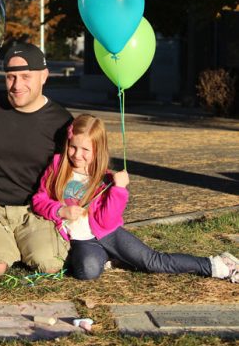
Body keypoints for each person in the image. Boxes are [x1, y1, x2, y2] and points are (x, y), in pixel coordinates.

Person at [32, 114, 239, 283]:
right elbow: (39, 200)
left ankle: (217, 265)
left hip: (108, 233)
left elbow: (107, 221)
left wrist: (118, 190)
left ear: (97, 150)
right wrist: (60, 210)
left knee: (152, 262)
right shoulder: (58, 167)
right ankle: (111, 257)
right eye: (73, 146)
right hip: (82, 240)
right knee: (87, 271)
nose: (77, 155)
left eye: (85, 149)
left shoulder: (104, 179)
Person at [0, 42, 73, 275]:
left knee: (50, 264)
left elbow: (76, 170)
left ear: (44, 76)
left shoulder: (61, 121)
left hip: (34, 210)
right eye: (11, 77)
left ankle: (22, 242)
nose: (17, 85)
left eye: (25, 76)